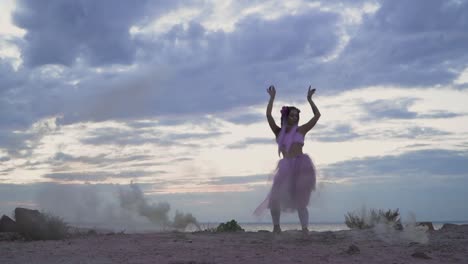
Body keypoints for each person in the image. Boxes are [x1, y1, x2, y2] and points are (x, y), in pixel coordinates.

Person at [254, 85, 321, 234]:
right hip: (285, 168)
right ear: (286, 116)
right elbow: (268, 117)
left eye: (296, 115)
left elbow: (317, 116)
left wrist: (310, 100)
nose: (295, 117)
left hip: (301, 166)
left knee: (301, 202)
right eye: (292, 115)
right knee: (275, 199)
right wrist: (271, 99)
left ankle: (305, 229)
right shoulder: (278, 132)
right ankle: (276, 228)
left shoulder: (301, 130)